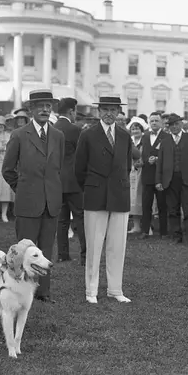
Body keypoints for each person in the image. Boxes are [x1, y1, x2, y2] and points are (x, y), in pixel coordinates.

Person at [2, 89, 65, 304]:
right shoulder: (19, 135)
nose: (45, 110)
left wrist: (54, 191)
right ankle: (20, 290)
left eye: (48, 106)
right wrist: (23, 189)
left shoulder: (58, 136)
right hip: (28, 202)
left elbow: (60, 168)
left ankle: (43, 292)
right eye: (40, 106)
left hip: (51, 202)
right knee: (24, 249)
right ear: (31, 110)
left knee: (46, 249)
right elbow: (7, 169)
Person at [75, 96, 133, 304]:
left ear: (119, 112)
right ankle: (91, 291)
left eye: (113, 109)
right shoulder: (88, 135)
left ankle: (115, 289)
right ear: (99, 112)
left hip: (119, 195)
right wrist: (92, 186)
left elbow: (126, 167)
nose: (109, 113)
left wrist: (118, 185)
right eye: (105, 109)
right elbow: (79, 169)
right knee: (94, 245)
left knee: (118, 245)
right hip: (95, 195)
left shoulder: (125, 136)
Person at [156, 113, 188, 249]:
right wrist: (158, 180)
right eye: (171, 125)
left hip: (187, 179)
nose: (174, 127)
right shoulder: (165, 141)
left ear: (181, 124)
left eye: (176, 124)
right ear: (168, 127)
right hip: (170, 180)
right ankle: (176, 236)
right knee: (172, 209)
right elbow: (160, 163)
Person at [53, 97, 87, 265]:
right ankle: (85, 256)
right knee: (80, 218)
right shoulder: (76, 130)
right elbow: (82, 156)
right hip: (74, 181)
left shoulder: (52, 128)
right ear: (71, 111)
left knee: (62, 220)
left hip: (58, 181)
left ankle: (62, 254)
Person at [139, 112, 170, 239]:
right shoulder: (145, 136)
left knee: (162, 205)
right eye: (151, 121)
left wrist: (158, 159)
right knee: (146, 205)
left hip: (161, 176)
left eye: (156, 120)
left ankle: (163, 232)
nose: (154, 123)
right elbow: (143, 153)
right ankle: (145, 231)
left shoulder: (167, 136)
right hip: (147, 175)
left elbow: (169, 155)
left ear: (162, 122)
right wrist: (146, 160)